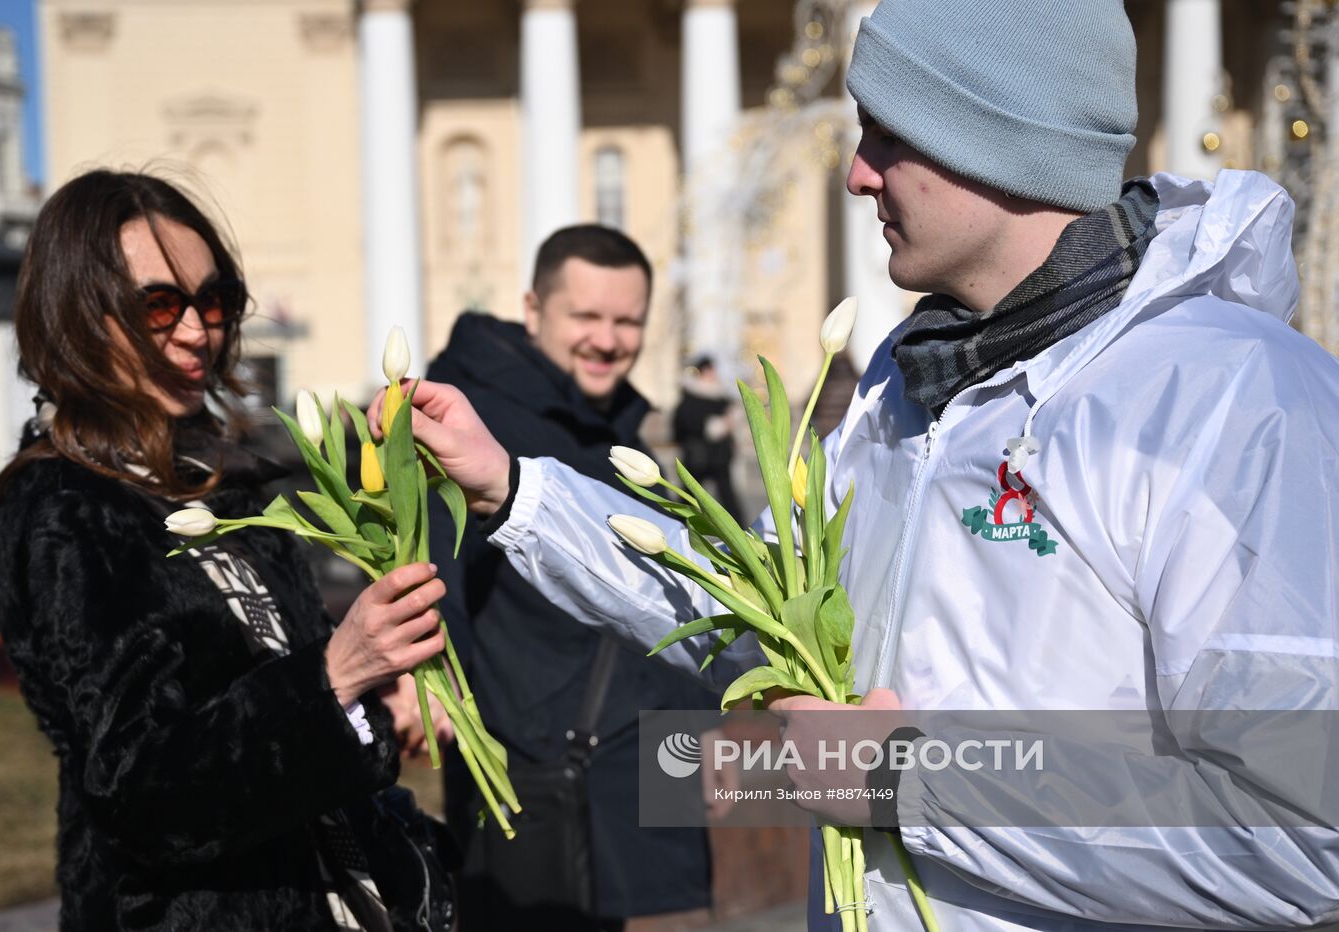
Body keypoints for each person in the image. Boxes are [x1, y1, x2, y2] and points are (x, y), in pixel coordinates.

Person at [391, 0, 1339, 929]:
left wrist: (908, 777)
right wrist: (518, 491)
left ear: (993, 144)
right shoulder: (906, 386)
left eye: (887, 138)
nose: (855, 175)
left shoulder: (1236, 400)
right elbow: (762, 609)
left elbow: (1302, 831)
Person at [0, 170, 455, 932]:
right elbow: (140, 790)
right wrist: (336, 674)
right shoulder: (66, 510)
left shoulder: (223, 482)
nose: (197, 330)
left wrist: (379, 697)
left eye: (213, 300)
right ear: (75, 314)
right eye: (159, 305)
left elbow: (276, 689)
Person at [409, 224, 716, 931]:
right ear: (533, 309)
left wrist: (703, 734)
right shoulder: (470, 421)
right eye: (586, 317)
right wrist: (424, 684)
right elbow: (428, 563)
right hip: (551, 795)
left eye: (627, 321)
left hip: (654, 785)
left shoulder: (621, 429)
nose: (608, 340)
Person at [672, 354, 741, 521]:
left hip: (719, 456)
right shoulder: (691, 397)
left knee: (727, 495)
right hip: (699, 456)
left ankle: (741, 531)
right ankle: (679, 523)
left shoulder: (720, 395)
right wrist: (715, 426)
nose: (713, 374)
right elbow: (683, 424)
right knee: (690, 494)